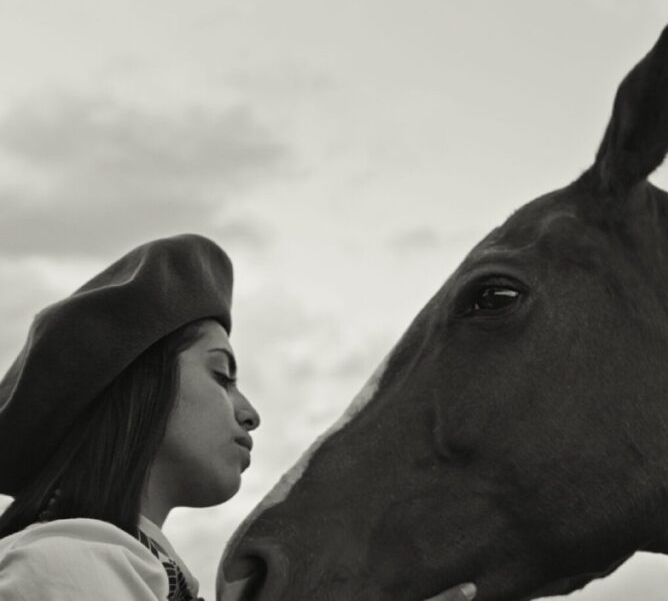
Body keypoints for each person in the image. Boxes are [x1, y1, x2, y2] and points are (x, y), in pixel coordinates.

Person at [0, 234, 475, 601]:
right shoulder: (66, 567)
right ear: (140, 389)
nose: (250, 414)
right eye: (222, 375)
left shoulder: (122, 573)